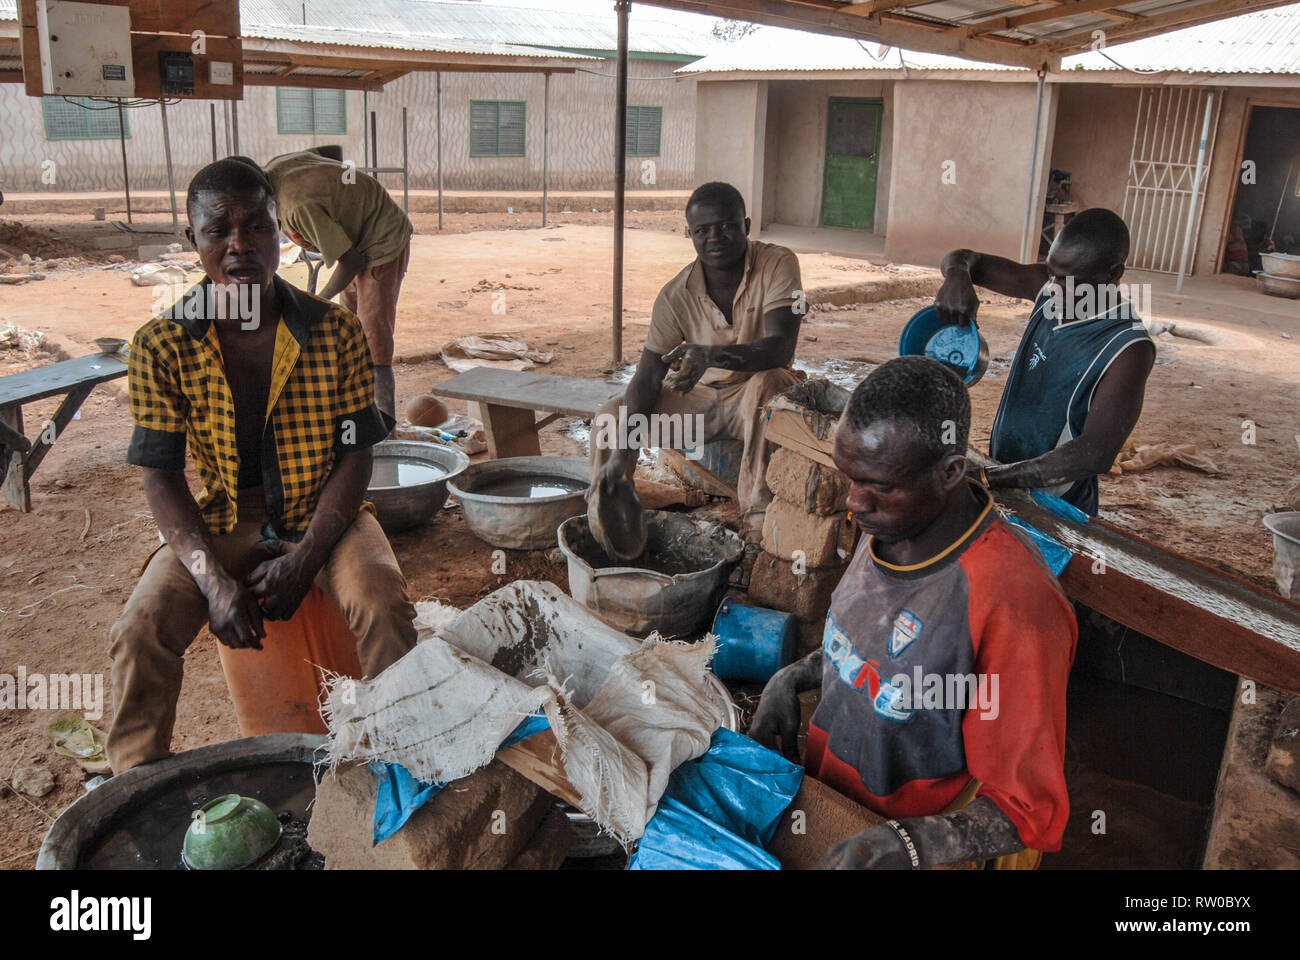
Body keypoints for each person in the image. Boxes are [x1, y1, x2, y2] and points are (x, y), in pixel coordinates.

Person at [106, 157, 418, 773]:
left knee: (384, 603)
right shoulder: (161, 344)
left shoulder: (336, 332)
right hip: (221, 519)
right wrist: (210, 578)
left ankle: (398, 762)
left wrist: (307, 557)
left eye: (257, 226)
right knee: (141, 628)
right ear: (190, 238)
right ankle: (136, 788)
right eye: (217, 230)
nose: (239, 245)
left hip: (328, 506)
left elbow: (356, 456)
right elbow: (161, 477)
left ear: (283, 232)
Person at [750, 357, 1077, 870]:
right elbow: (868, 648)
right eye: (848, 477)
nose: (854, 502)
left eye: (876, 485)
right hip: (843, 812)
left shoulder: (1013, 604)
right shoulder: (890, 523)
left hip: (929, 841)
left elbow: (1027, 810)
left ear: (949, 473)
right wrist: (789, 680)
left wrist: (907, 844)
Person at [588, 181, 802, 537]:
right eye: (702, 230)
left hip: (758, 403)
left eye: (726, 226)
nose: (714, 237)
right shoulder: (675, 294)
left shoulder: (779, 263)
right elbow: (646, 378)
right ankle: (607, 520)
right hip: (701, 407)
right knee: (610, 418)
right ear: (689, 234)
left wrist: (711, 355)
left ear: (746, 226)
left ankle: (757, 523)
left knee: (772, 380)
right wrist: (624, 456)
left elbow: (781, 348)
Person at [934, 207, 1155, 516]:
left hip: (1058, 508)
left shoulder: (1128, 348)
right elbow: (964, 258)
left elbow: (1094, 454)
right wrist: (957, 277)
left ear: (1112, 274)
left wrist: (987, 477)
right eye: (1052, 272)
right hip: (1004, 481)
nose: (1055, 287)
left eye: (1068, 280)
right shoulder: (1049, 287)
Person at [263, 150, 414, 421]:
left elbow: (351, 261)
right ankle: (353, 413)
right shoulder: (274, 170)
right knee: (348, 327)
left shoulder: (297, 207)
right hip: (357, 232)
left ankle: (386, 427)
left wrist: (316, 301)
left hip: (382, 238)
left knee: (372, 340)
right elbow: (328, 153)